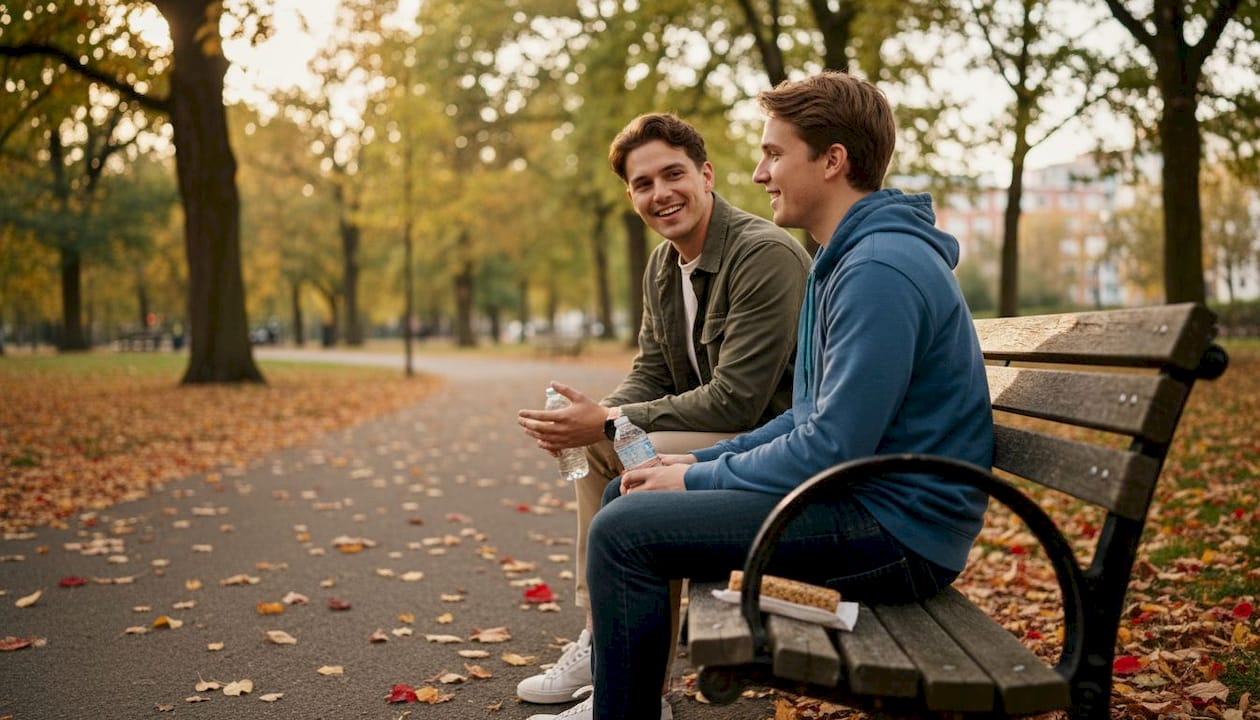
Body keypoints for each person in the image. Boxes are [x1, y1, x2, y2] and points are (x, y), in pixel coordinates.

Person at [573, 71, 995, 720]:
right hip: (863, 498)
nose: (760, 173)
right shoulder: (841, 259)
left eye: (774, 154)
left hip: (899, 531)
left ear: (833, 162)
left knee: (625, 533)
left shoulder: (878, 267)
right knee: (622, 493)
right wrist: (692, 466)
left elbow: (829, 445)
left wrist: (696, 481)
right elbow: (809, 416)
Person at [516, 113, 812, 715]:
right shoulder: (662, 265)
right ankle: (607, 641)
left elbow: (739, 399)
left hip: (770, 439)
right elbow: (653, 370)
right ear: (631, 196)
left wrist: (604, 424)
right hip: (726, 429)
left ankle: (624, 671)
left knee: (607, 443)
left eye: (673, 174)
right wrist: (597, 414)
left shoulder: (763, 254)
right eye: (643, 184)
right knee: (602, 439)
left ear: (706, 175)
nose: (661, 193)